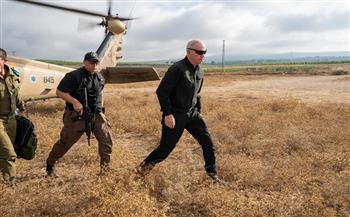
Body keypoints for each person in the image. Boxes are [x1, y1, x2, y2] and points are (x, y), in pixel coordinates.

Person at [137, 39, 220, 182]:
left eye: (204, 52)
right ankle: (140, 172)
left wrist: (198, 111)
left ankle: (212, 175)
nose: (203, 56)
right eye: (200, 52)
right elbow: (161, 92)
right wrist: (168, 114)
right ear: (189, 52)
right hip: (175, 114)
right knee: (165, 149)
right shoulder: (177, 69)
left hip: (192, 114)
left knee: (208, 143)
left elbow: (196, 93)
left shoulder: (200, 70)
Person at [46, 52, 113, 176]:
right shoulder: (74, 76)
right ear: (85, 62)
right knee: (66, 142)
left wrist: (101, 108)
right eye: (91, 62)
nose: (94, 65)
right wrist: (74, 102)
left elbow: (100, 92)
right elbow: (60, 92)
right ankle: (50, 163)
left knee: (106, 140)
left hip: (96, 114)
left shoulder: (100, 77)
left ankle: (105, 170)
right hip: (77, 115)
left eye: (96, 63)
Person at [0, 48, 25, 185]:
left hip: (11, 120)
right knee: (9, 154)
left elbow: (16, 94)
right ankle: (10, 186)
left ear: (4, 61)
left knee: (6, 151)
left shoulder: (12, 75)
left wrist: (21, 109)